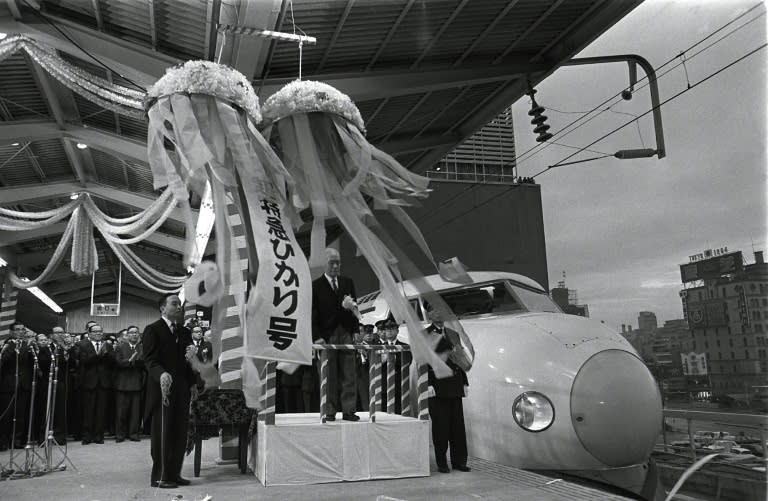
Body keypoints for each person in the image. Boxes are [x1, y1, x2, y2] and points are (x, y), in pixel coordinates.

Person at [142, 293, 197, 489]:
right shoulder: (152, 330)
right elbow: (149, 360)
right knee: (163, 433)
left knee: (179, 433)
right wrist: (162, 374)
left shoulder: (184, 332)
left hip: (181, 388)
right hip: (162, 389)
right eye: (174, 304)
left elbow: (187, 363)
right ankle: (159, 477)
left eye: (180, 304)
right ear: (162, 308)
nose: (179, 307)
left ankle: (174, 474)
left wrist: (192, 383)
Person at [312, 247, 360, 422]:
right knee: (328, 374)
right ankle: (329, 410)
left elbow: (355, 308)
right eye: (332, 263)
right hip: (326, 334)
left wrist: (356, 331)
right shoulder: (315, 285)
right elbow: (312, 314)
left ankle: (349, 410)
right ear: (325, 264)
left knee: (350, 373)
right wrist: (316, 336)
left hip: (346, 331)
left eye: (338, 262)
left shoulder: (348, 282)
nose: (335, 266)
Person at [427, 325, 470, 474]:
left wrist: (465, 381)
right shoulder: (425, 334)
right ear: (429, 313)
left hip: (455, 384)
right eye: (434, 310)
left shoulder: (452, 333)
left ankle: (459, 461)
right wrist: (427, 383)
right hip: (437, 386)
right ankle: (442, 462)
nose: (439, 312)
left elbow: (459, 357)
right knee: (441, 427)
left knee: (457, 427)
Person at [78, 323, 115, 445]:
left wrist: (107, 355)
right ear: (89, 334)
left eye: (100, 331)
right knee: (88, 410)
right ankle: (87, 436)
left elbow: (113, 362)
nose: (98, 333)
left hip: (103, 382)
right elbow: (84, 361)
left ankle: (99, 436)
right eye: (95, 331)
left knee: (101, 410)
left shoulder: (108, 346)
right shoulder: (82, 345)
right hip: (89, 382)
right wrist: (98, 354)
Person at [114, 325, 143, 442]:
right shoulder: (120, 347)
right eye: (131, 333)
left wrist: (136, 362)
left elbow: (145, 362)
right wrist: (130, 361)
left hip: (137, 383)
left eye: (136, 332)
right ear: (127, 335)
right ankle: (120, 434)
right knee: (121, 411)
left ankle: (133, 434)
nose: (134, 335)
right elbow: (118, 362)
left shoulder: (142, 348)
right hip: (122, 384)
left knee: (135, 412)